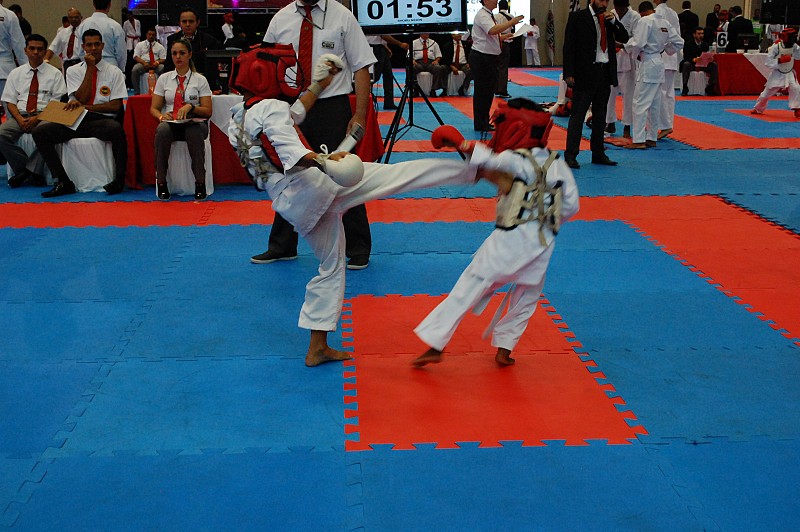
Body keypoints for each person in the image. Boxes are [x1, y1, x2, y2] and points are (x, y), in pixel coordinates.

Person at [227, 46, 481, 366]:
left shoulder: (238, 118)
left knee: (331, 266)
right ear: (264, 75)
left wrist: (319, 85)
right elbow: (290, 150)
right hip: (315, 186)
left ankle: (318, 346)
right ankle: (473, 171)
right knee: (396, 176)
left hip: (291, 206)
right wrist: (325, 162)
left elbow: (292, 117)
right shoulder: (273, 108)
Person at [412, 100, 580, 367]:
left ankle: (435, 342)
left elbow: (489, 159)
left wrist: (460, 144)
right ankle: (505, 348)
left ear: (514, 127)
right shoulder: (557, 163)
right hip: (543, 242)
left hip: (509, 238)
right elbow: (572, 205)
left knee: (471, 284)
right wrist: (546, 218)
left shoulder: (514, 158)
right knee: (526, 296)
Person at [255, 0, 377, 270]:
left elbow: (361, 67)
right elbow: (263, 66)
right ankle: (282, 245)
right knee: (289, 175)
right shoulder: (281, 19)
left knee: (343, 174)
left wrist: (359, 114)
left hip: (331, 107)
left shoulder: (342, 16)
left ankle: (358, 248)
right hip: (290, 105)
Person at [33, 29, 127, 198]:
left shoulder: (114, 72)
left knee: (116, 129)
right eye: (89, 45)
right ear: (83, 47)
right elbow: (81, 97)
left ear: (102, 46)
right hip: (76, 120)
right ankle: (63, 181)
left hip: (100, 121)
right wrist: (90, 68)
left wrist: (87, 107)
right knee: (40, 132)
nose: (93, 48)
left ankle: (120, 179)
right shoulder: (73, 70)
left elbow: (115, 107)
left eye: (97, 44)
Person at [562, 0, 629, 169]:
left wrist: (614, 22)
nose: (604, 3)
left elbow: (625, 37)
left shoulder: (609, 19)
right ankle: (571, 155)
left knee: (600, 116)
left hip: (604, 72)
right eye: (601, 0)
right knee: (578, 116)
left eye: (607, 0)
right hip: (584, 73)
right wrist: (568, 73)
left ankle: (598, 153)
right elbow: (569, 45)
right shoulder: (578, 17)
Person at [150, 38, 213, 200]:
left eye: (182, 53)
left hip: (195, 122)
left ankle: (200, 183)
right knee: (162, 130)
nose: (178, 57)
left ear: (189, 55)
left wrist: (191, 107)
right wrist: (162, 116)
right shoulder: (164, 79)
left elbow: (207, 111)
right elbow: (154, 108)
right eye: (174, 53)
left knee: (193, 132)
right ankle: (161, 182)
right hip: (172, 122)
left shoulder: (200, 80)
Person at [0, 33, 66, 187]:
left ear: (45, 51)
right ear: (25, 50)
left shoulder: (55, 74)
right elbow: (10, 102)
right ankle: (27, 170)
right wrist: (19, 119)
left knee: (45, 132)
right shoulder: (16, 73)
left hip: (45, 116)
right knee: (1, 135)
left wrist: (37, 119)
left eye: (39, 49)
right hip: (20, 115)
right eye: (32, 48)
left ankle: (26, 173)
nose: (35, 52)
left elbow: (56, 104)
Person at [624, 1, 683, 150]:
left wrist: (632, 52)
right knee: (655, 103)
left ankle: (638, 140)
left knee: (640, 103)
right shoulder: (664, 22)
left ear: (642, 12)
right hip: (659, 61)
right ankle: (651, 137)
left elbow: (638, 43)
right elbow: (679, 42)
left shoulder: (645, 21)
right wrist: (665, 49)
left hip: (648, 62)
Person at [470, 0, 523, 132]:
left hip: (488, 57)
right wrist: (511, 22)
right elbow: (492, 30)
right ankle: (480, 123)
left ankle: (483, 121)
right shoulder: (482, 15)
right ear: (486, 1)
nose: (496, 1)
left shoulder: (489, 15)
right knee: (483, 91)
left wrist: (504, 37)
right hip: (482, 57)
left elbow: (490, 36)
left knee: (488, 91)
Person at [605, 0, 640, 137]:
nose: (618, 11)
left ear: (626, 6)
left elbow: (637, 39)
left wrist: (622, 44)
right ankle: (610, 122)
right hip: (612, 58)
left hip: (627, 59)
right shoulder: (611, 14)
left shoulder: (635, 17)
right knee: (609, 93)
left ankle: (627, 125)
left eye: (621, 8)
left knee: (628, 95)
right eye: (617, 8)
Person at [751, 28, 800, 117]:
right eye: (792, 37)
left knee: (796, 88)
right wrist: (780, 60)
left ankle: (797, 108)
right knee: (766, 93)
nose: (794, 40)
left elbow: (798, 56)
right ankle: (758, 108)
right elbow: (768, 62)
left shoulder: (795, 46)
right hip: (777, 73)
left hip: (789, 72)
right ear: (785, 37)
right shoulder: (776, 47)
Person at [654, 0, 682, 140]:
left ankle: (665, 125)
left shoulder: (657, 13)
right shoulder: (673, 13)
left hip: (661, 56)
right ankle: (668, 123)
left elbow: (659, 36)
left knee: (661, 93)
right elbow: (677, 35)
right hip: (672, 55)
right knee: (669, 94)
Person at [164, 7, 221, 75]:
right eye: (184, 21)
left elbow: (212, 67)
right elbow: (168, 65)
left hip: (202, 77)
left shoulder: (209, 40)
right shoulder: (172, 39)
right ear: (179, 23)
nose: (188, 24)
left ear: (197, 22)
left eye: (191, 21)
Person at [76, 0, 126, 72]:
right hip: (111, 66)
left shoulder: (83, 25)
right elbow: (120, 52)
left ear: (93, 4)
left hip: (89, 66)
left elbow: (80, 52)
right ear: (109, 5)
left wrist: (87, 63)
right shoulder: (115, 26)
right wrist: (120, 70)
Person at [367, 34, 407, 110]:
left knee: (388, 76)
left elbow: (381, 38)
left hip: (380, 47)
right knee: (375, 76)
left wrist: (385, 46)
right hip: (375, 48)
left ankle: (389, 102)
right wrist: (400, 44)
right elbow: (384, 35)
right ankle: (361, 94)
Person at [0, 0, 25, 110]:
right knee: (10, 108)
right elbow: (18, 44)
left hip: (6, 68)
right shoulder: (9, 15)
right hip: (6, 69)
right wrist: (27, 68)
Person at [680, 26, 718, 96]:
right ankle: (685, 87)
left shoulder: (705, 45)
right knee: (686, 64)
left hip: (703, 65)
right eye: (699, 34)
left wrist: (710, 59)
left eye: (702, 34)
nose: (701, 35)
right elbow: (686, 57)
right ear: (694, 35)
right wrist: (693, 59)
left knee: (714, 65)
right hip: (692, 64)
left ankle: (710, 87)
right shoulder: (688, 44)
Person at [45, 8, 82, 74]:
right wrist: (46, 60)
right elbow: (53, 47)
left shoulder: (85, 31)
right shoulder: (63, 32)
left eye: (76, 17)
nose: (73, 19)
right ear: (68, 19)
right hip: (67, 64)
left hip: (80, 62)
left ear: (81, 17)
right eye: (71, 17)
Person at [412, 33, 448, 97]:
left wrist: (436, 61)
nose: (427, 35)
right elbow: (409, 55)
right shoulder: (414, 42)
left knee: (438, 68)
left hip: (430, 62)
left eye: (428, 33)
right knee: (411, 68)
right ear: (421, 34)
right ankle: (415, 89)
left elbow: (438, 55)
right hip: (418, 62)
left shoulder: (433, 43)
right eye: (425, 33)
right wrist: (413, 61)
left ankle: (433, 90)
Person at [131, 28, 166, 95]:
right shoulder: (140, 45)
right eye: (149, 34)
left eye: (153, 35)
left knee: (163, 68)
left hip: (156, 64)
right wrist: (143, 63)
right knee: (135, 69)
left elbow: (163, 58)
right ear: (146, 35)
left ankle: (162, 91)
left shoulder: (160, 46)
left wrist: (157, 62)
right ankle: (137, 92)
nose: (151, 36)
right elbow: (135, 56)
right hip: (143, 64)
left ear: (155, 35)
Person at [495, 0, 515, 99]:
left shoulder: (495, 16)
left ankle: (496, 89)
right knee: (503, 67)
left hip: (496, 42)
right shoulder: (511, 17)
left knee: (496, 66)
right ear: (507, 6)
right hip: (506, 41)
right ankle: (502, 90)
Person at [442, 31, 472, 96]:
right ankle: (444, 89)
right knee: (442, 68)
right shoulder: (447, 45)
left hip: (463, 64)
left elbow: (471, 55)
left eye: (460, 34)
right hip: (451, 64)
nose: (459, 35)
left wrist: (469, 63)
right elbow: (445, 59)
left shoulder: (466, 44)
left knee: (471, 70)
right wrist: (451, 66)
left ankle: (463, 87)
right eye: (457, 34)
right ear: (452, 35)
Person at [122, 10, 140, 86]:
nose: (129, 17)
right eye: (127, 16)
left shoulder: (137, 22)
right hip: (129, 41)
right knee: (130, 58)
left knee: (137, 55)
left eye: (130, 15)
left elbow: (139, 31)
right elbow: (124, 33)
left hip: (136, 40)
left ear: (132, 15)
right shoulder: (125, 23)